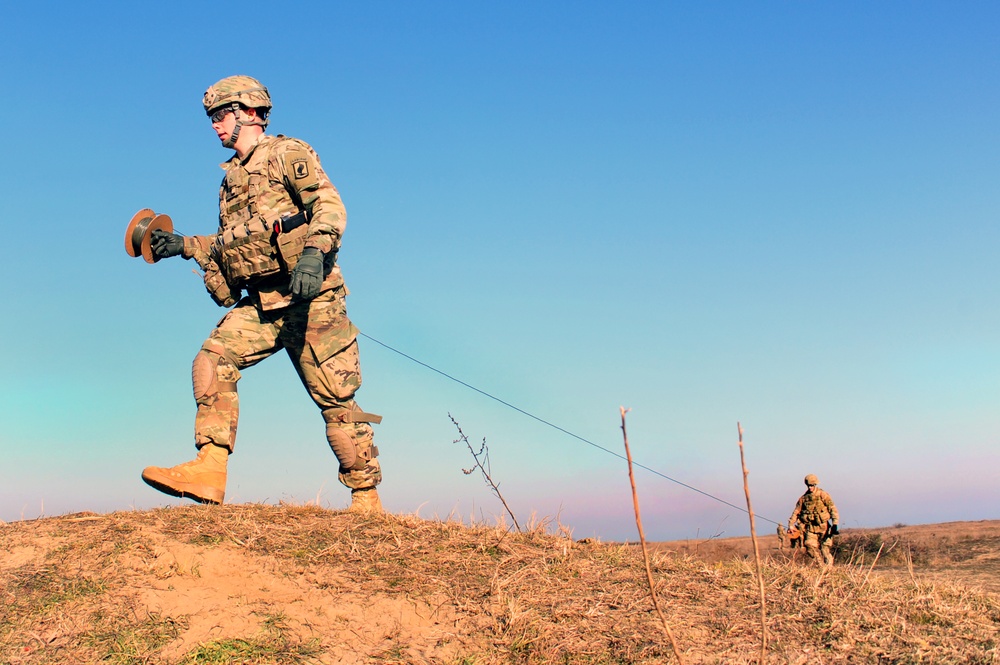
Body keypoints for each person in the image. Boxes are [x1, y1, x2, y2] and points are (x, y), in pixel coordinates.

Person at [140, 75, 384, 513]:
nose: (214, 125)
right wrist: (183, 245)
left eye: (220, 115)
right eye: (210, 117)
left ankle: (365, 499)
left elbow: (328, 205)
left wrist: (315, 253)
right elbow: (234, 246)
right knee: (212, 360)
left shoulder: (287, 154)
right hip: (264, 304)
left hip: (314, 300)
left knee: (336, 402)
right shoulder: (230, 181)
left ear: (249, 112)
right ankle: (210, 467)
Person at [787, 474, 839, 566]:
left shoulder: (823, 495)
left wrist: (835, 524)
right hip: (811, 528)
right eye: (809, 486)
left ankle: (829, 568)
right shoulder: (803, 498)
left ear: (815, 485)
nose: (810, 487)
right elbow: (796, 512)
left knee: (824, 549)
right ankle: (821, 566)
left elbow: (832, 509)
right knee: (809, 547)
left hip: (824, 527)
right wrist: (791, 524)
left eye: (812, 485)